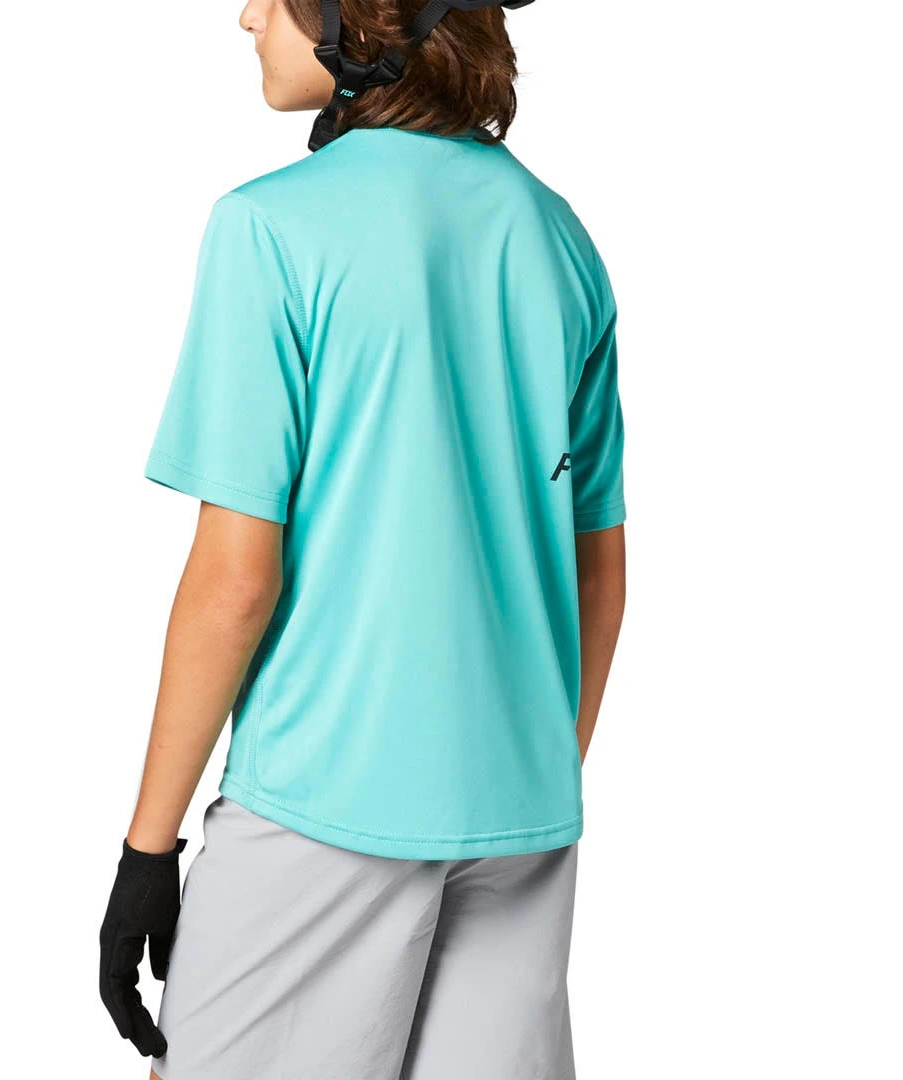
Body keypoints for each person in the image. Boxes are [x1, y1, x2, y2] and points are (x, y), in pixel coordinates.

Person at [98, 1, 627, 1077]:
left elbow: (235, 581)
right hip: (523, 814)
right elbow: (598, 566)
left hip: (323, 805)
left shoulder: (271, 228)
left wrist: (147, 850)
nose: (247, 16)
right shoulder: (559, 234)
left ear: (362, 20)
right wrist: (527, 766)